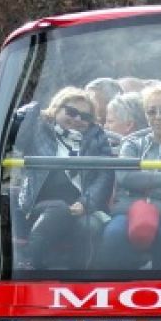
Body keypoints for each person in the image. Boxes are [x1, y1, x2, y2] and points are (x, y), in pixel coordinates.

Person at [96, 81, 161, 270]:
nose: (158, 117)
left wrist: (142, 182)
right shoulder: (132, 144)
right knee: (113, 234)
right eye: (151, 112)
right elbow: (125, 178)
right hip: (129, 210)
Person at [13, 86, 107, 269]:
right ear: (56, 108)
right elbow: (16, 137)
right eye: (71, 112)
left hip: (80, 206)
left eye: (85, 117)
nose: (77, 119)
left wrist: (85, 203)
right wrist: (32, 109)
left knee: (89, 227)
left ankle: (79, 280)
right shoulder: (38, 127)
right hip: (37, 204)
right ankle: (30, 263)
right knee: (58, 208)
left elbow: (105, 174)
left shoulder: (96, 137)